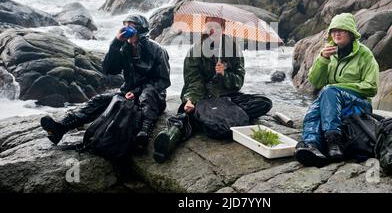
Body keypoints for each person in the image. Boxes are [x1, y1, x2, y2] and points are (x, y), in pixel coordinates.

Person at [40, 14, 171, 152]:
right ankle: (61, 127)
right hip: (127, 93)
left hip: (154, 96)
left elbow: (163, 81)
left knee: (147, 95)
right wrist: (115, 43)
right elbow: (110, 69)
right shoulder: (124, 48)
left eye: (130, 26)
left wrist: (137, 92)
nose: (126, 29)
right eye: (125, 25)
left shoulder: (157, 50)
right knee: (99, 100)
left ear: (140, 30)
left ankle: (144, 133)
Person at [152, 16, 272, 163]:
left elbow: (238, 82)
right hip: (204, 97)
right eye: (209, 27)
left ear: (224, 29)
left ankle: (208, 118)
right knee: (187, 112)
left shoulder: (233, 49)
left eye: (216, 27)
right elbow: (193, 81)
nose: (212, 30)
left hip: (228, 97)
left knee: (263, 102)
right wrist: (190, 100)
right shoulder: (195, 51)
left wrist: (224, 75)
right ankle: (172, 135)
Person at [295, 13, 379, 167]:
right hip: (332, 102)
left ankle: (333, 142)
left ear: (351, 33)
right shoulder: (330, 54)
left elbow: (371, 87)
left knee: (329, 92)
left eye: (342, 30)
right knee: (317, 107)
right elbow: (316, 81)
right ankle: (311, 145)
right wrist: (322, 59)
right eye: (334, 31)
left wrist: (337, 89)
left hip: (359, 103)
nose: (337, 34)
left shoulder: (365, 54)